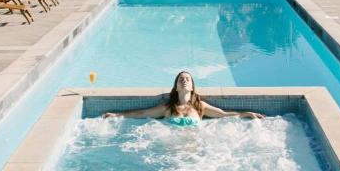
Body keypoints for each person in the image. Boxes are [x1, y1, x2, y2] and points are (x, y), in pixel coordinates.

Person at [102, 70, 263, 124]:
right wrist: (117, 115)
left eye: (188, 79)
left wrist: (246, 114)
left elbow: (223, 114)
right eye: (181, 79)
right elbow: (142, 113)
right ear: (176, 86)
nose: (184, 81)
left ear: (192, 87)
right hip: (172, 150)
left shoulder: (200, 106)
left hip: (193, 151)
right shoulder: (167, 107)